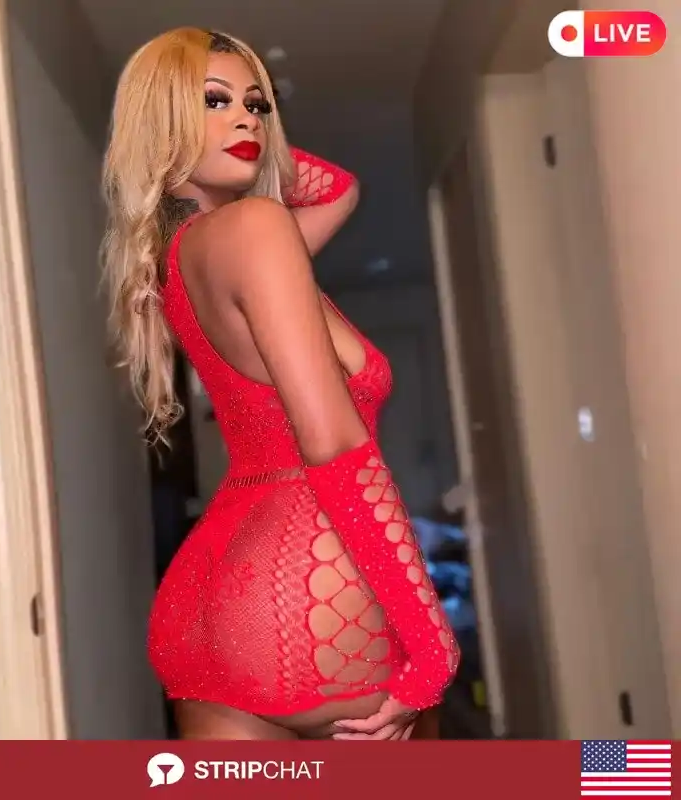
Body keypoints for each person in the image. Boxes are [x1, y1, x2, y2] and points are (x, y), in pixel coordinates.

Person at [101, 26, 459, 740]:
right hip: (316, 606)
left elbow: (340, 191)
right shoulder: (257, 230)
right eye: (213, 100)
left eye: (256, 104)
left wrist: (223, 143)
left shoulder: (185, 259)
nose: (246, 119)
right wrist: (433, 649)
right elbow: (335, 444)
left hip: (208, 609)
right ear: (163, 119)